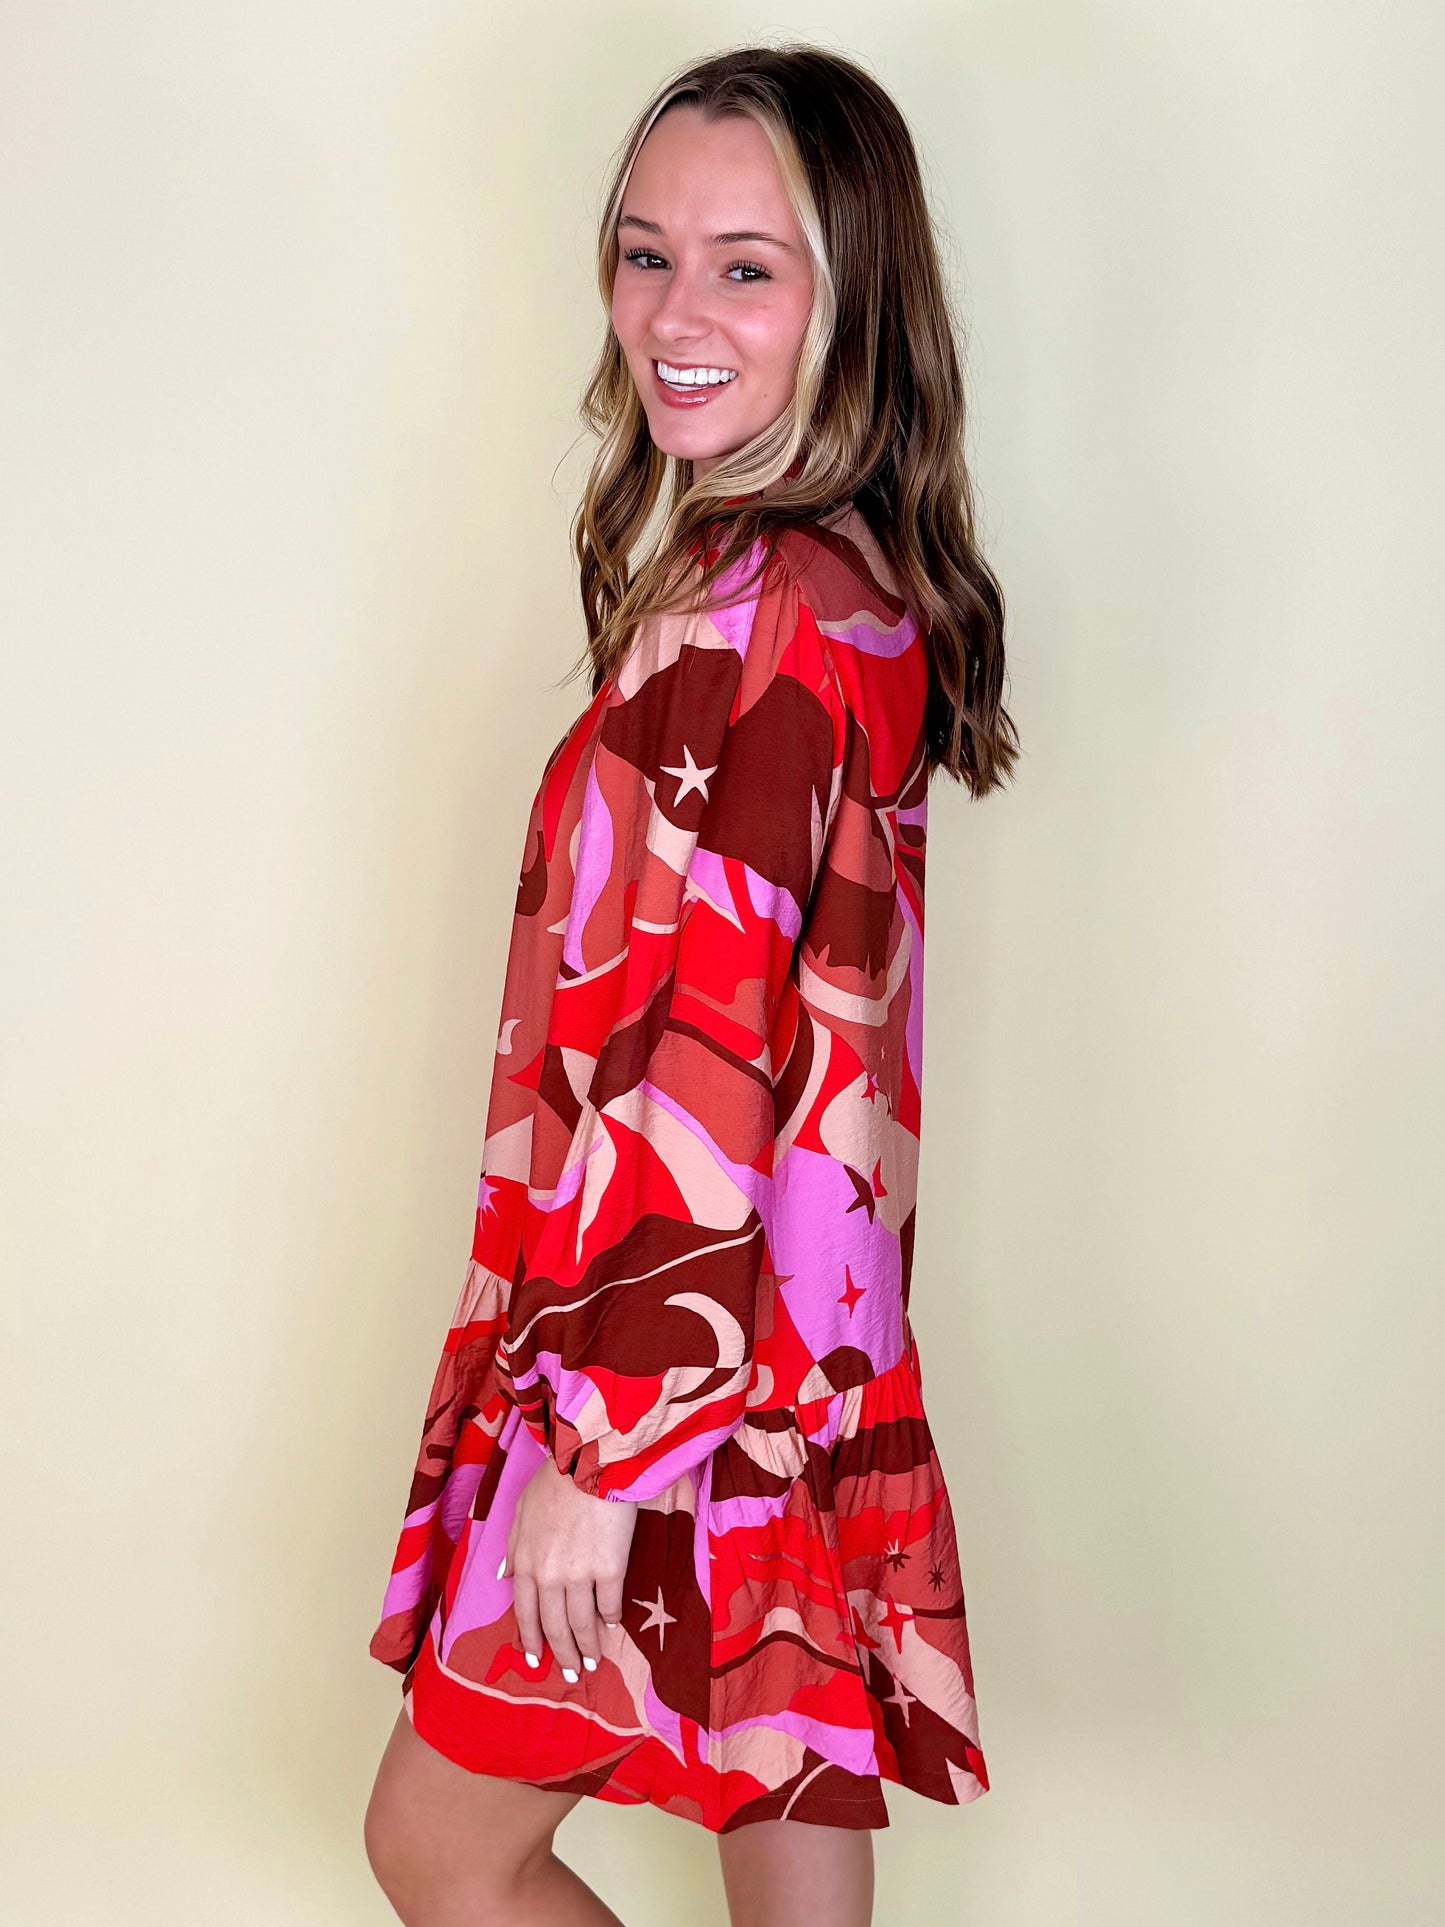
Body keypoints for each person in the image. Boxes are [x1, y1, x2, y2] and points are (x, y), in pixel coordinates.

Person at [363, 42, 1017, 1927]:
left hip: (676, 1366)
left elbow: (710, 1051)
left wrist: (608, 1445)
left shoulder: (755, 612)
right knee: (775, 1818)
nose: (671, 315)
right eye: (644, 254)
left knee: (439, 1849)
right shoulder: (849, 581)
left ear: (850, 296)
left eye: (746, 267)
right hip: (797, 1354)